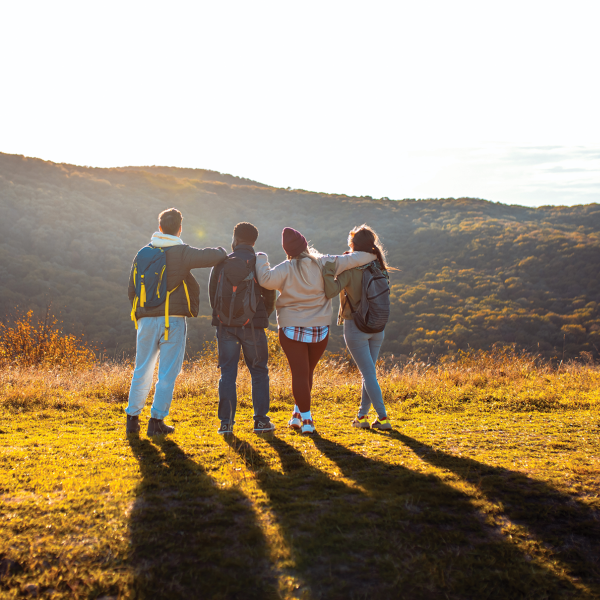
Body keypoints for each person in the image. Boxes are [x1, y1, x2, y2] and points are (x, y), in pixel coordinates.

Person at [255, 227, 376, 433]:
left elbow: (265, 280)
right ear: (305, 245)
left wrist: (261, 257)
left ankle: (307, 421)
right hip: (320, 328)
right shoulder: (324, 262)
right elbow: (360, 258)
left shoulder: (285, 268)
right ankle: (297, 414)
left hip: (291, 328)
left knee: (300, 375)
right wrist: (372, 253)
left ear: (287, 250)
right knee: (307, 373)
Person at [125, 208, 227, 436]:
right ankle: (156, 421)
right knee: (167, 373)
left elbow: (131, 289)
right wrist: (224, 250)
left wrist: (145, 310)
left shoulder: (142, 253)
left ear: (159, 227)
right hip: (172, 321)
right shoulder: (181, 252)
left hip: (145, 320)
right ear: (180, 228)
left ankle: (132, 421)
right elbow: (214, 256)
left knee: (141, 369)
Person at [209, 222, 277, 435]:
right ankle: (260, 422)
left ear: (235, 238)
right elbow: (269, 294)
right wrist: (259, 317)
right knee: (258, 372)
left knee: (228, 373)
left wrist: (224, 316)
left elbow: (212, 294)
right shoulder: (258, 262)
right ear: (253, 241)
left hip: (225, 325)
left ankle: (226, 424)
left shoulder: (222, 263)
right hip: (253, 327)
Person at [322, 225, 392, 430]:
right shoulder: (379, 267)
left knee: (368, 373)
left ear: (353, 246)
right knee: (368, 372)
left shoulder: (351, 270)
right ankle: (362, 417)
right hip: (378, 326)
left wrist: (328, 271)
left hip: (356, 327)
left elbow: (331, 291)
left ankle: (383, 418)